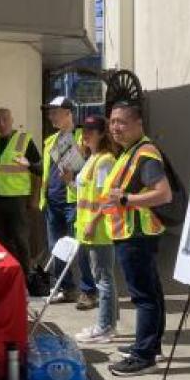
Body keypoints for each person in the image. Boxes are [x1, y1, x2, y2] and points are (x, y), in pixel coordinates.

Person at [102, 101, 173, 376]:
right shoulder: (129, 152)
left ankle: (143, 357)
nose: (115, 127)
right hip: (133, 233)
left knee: (143, 296)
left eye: (121, 122)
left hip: (137, 235)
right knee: (151, 292)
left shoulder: (145, 154)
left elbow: (163, 194)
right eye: (112, 122)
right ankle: (150, 345)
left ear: (138, 124)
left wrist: (126, 198)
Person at [39, 97, 97, 307]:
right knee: (57, 247)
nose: (51, 115)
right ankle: (66, 289)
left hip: (75, 201)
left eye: (55, 111)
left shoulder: (84, 137)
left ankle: (90, 291)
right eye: (50, 112)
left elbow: (93, 167)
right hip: (53, 201)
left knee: (79, 248)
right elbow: (47, 169)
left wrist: (74, 178)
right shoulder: (50, 141)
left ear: (68, 113)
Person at [0, 107, 41, 275]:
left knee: (20, 238)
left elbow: (38, 169)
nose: (1, 124)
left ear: (12, 120)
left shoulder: (24, 140)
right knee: (1, 238)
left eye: (5, 119)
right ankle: (8, 272)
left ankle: (27, 275)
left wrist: (35, 197)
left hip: (17, 198)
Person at [73, 115, 120, 344]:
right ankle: (109, 324)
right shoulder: (92, 158)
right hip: (88, 229)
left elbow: (107, 198)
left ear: (102, 133)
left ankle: (104, 327)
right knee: (103, 277)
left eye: (91, 130)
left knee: (103, 279)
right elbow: (85, 192)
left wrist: (93, 221)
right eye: (84, 129)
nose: (86, 134)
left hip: (99, 230)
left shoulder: (104, 160)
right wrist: (70, 181)